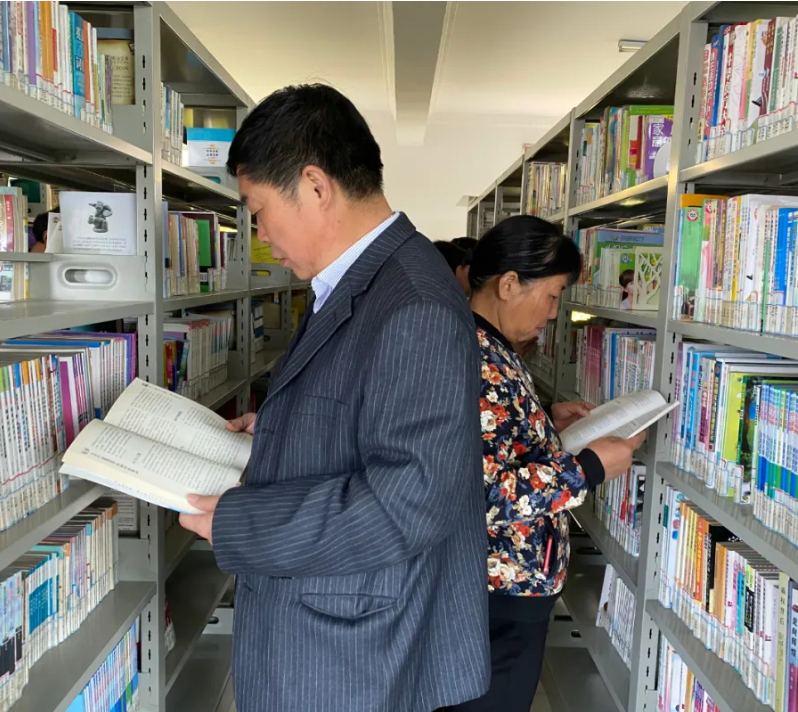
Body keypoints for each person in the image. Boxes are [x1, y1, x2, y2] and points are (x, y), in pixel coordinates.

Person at [178, 84, 490, 712]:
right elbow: (368, 409)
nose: (259, 232)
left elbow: (410, 503)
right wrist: (279, 428)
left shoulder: (414, 303)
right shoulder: (362, 280)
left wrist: (240, 523)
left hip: (354, 658)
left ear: (316, 187)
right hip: (339, 637)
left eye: (258, 210)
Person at [449, 215, 645, 712]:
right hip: (498, 590)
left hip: (509, 585)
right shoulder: (475, 358)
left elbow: (494, 439)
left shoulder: (492, 346)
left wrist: (546, 423)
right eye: (553, 295)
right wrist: (588, 468)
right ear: (509, 284)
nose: (554, 312)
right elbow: (484, 491)